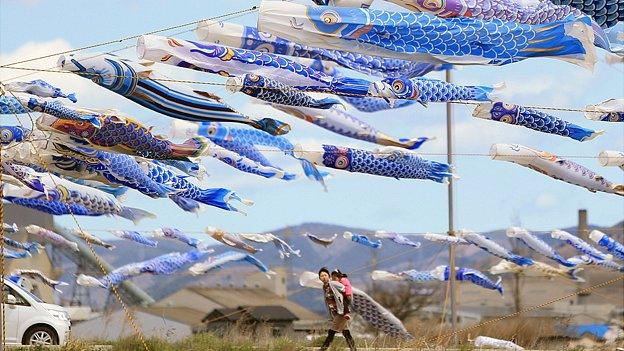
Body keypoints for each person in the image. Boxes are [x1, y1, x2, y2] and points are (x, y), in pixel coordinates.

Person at [318, 267, 357, 351]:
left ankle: (323, 349)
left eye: (325, 275)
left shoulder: (333, 283)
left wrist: (346, 306)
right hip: (336, 312)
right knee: (345, 332)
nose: (324, 277)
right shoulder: (325, 287)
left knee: (332, 330)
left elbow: (345, 289)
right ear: (319, 278)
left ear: (329, 276)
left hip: (342, 311)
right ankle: (353, 349)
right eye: (321, 276)